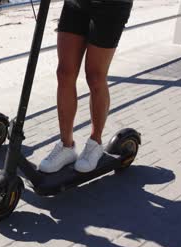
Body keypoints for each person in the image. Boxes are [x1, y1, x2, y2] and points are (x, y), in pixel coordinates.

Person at [39, 0, 133, 173]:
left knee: (95, 77)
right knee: (64, 73)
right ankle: (66, 146)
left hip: (111, 6)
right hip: (76, 3)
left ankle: (95, 143)